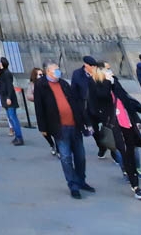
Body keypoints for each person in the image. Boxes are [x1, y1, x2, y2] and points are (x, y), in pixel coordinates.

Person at [34, 63, 95, 199]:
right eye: (55, 70)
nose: (58, 72)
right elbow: (39, 107)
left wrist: (84, 120)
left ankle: (81, 180)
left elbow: (75, 103)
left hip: (74, 125)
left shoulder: (64, 84)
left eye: (58, 70)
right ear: (48, 72)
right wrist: (42, 127)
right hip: (58, 127)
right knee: (66, 157)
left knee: (80, 156)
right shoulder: (41, 85)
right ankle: (73, 185)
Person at [88, 63, 141, 201]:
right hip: (113, 124)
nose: (110, 71)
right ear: (100, 72)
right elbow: (101, 98)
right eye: (107, 69)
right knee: (125, 151)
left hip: (127, 122)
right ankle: (135, 186)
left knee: (131, 151)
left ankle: (131, 174)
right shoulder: (96, 85)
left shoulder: (115, 82)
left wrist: (137, 119)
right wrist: (108, 83)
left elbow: (127, 100)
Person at [28, 68, 56, 155]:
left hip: (50, 109)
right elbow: (29, 96)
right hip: (40, 109)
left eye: (42, 74)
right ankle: (52, 144)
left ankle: (59, 146)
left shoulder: (47, 83)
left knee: (55, 129)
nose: (42, 76)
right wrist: (38, 98)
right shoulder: (32, 85)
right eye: (39, 74)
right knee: (44, 130)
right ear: (35, 76)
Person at [0, 57, 24, 146]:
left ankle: (19, 138)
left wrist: (9, 97)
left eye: (0, 63)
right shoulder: (2, 73)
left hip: (9, 99)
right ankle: (17, 137)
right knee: (11, 118)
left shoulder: (7, 73)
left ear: (3, 64)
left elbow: (9, 86)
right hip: (5, 98)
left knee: (13, 118)